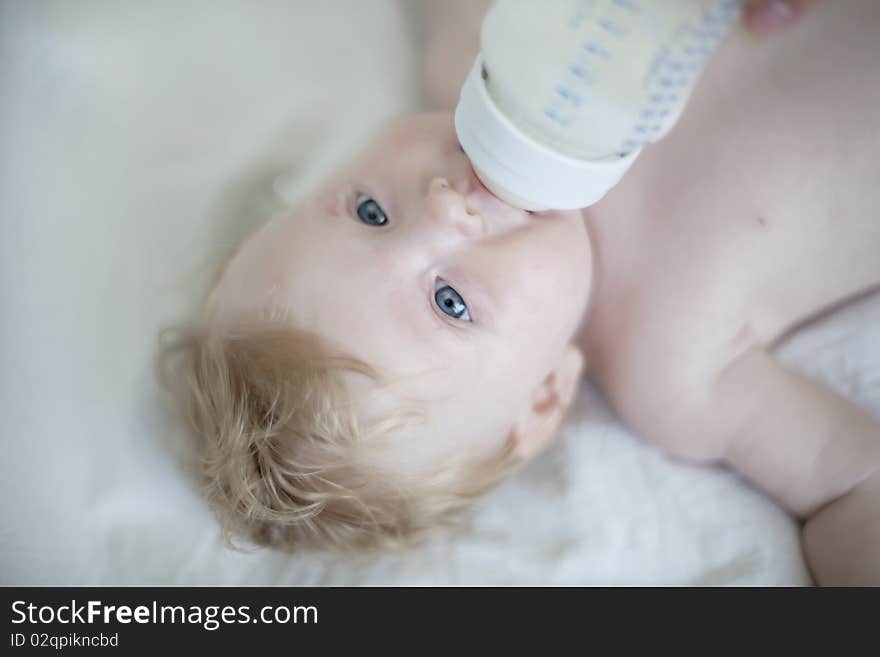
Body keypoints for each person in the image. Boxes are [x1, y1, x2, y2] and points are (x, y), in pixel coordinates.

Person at [160, 0, 880, 584]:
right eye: (450, 303)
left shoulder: (472, 47)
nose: (444, 208)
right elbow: (854, 486)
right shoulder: (673, 368)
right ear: (540, 398)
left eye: (371, 212)